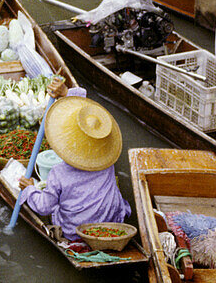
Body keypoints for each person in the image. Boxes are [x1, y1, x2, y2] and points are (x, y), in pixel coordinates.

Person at [16, 80, 131, 241]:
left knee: (54, 206)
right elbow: (94, 115)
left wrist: (30, 189)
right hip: (113, 221)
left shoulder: (59, 173)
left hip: (74, 233)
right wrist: (66, 93)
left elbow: (44, 206)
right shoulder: (107, 161)